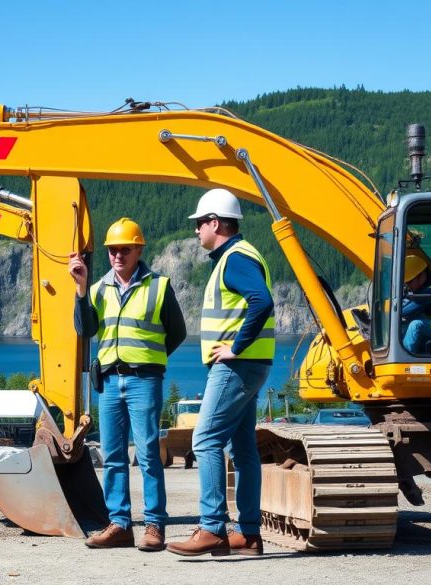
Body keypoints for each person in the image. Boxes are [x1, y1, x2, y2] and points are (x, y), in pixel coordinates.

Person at [167, 189, 273, 557]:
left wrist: (236, 348)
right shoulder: (238, 256)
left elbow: (262, 301)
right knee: (242, 449)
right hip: (250, 366)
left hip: (235, 366)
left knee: (205, 439)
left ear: (215, 222)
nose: (196, 231)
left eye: (200, 224)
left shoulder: (235, 258)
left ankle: (212, 527)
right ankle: (248, 535)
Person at [70, 217, 187, 551]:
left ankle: (154, 525)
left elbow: (176, 332)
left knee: (149, 453)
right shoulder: (96, 289)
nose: (117, 256)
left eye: (124, 249)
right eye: (112, 250)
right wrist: (80, 289)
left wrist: (150, 359)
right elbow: (84, 329)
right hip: (108, 382)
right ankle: (119, 524)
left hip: (143, 380)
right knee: (114, 456)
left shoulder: (159, 286)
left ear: (138, 250)